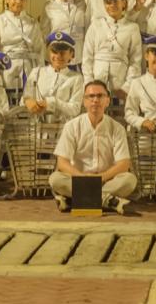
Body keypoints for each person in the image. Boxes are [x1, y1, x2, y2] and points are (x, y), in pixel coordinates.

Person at [49, 81, 137, 215]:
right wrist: (83, 178)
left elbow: (124, 164)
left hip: (107, 180)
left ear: (107, 101)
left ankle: (73, 201)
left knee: (129, 180)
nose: (95, 100)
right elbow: (62, 163)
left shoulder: (117, 128)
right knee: (55, 179)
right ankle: (108, 200)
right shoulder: (72, 126)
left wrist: (101, 178)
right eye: (91, 96)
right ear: (84, 101)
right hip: (78, 179)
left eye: (100, 96)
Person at [82, 0, 142, 103]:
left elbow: (135, 61)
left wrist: (126, 87)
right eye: (108, 2)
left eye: (116, 1)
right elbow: (87, 58)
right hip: (97, 82)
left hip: (120, 84)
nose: (112, 5)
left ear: (124, 3)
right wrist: (89, 84)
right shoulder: (96, 26)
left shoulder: (133, 28)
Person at [0, 0, 43, 104]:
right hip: (7, 71)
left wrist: (40, 74)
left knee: (29, 104)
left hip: (29, 70)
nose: (18, 2)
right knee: (8, 106)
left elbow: (39, 50)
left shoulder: (32, 23)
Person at [22, 31, 85, 120]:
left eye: (62, 52)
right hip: (36, 129)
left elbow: (75, 109)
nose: (58, 56)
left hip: (63, 129)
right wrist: (27, 101)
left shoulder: (76, 78)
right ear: (49, 53)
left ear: (71, 54)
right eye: (54, 52)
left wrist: (52, 102)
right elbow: (24, 99)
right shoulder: (36, 73)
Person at [40, 0, 88, 69]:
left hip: (78, 58)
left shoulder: (81, 4)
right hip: (57, 59)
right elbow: (44, 35)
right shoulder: (49, 6)